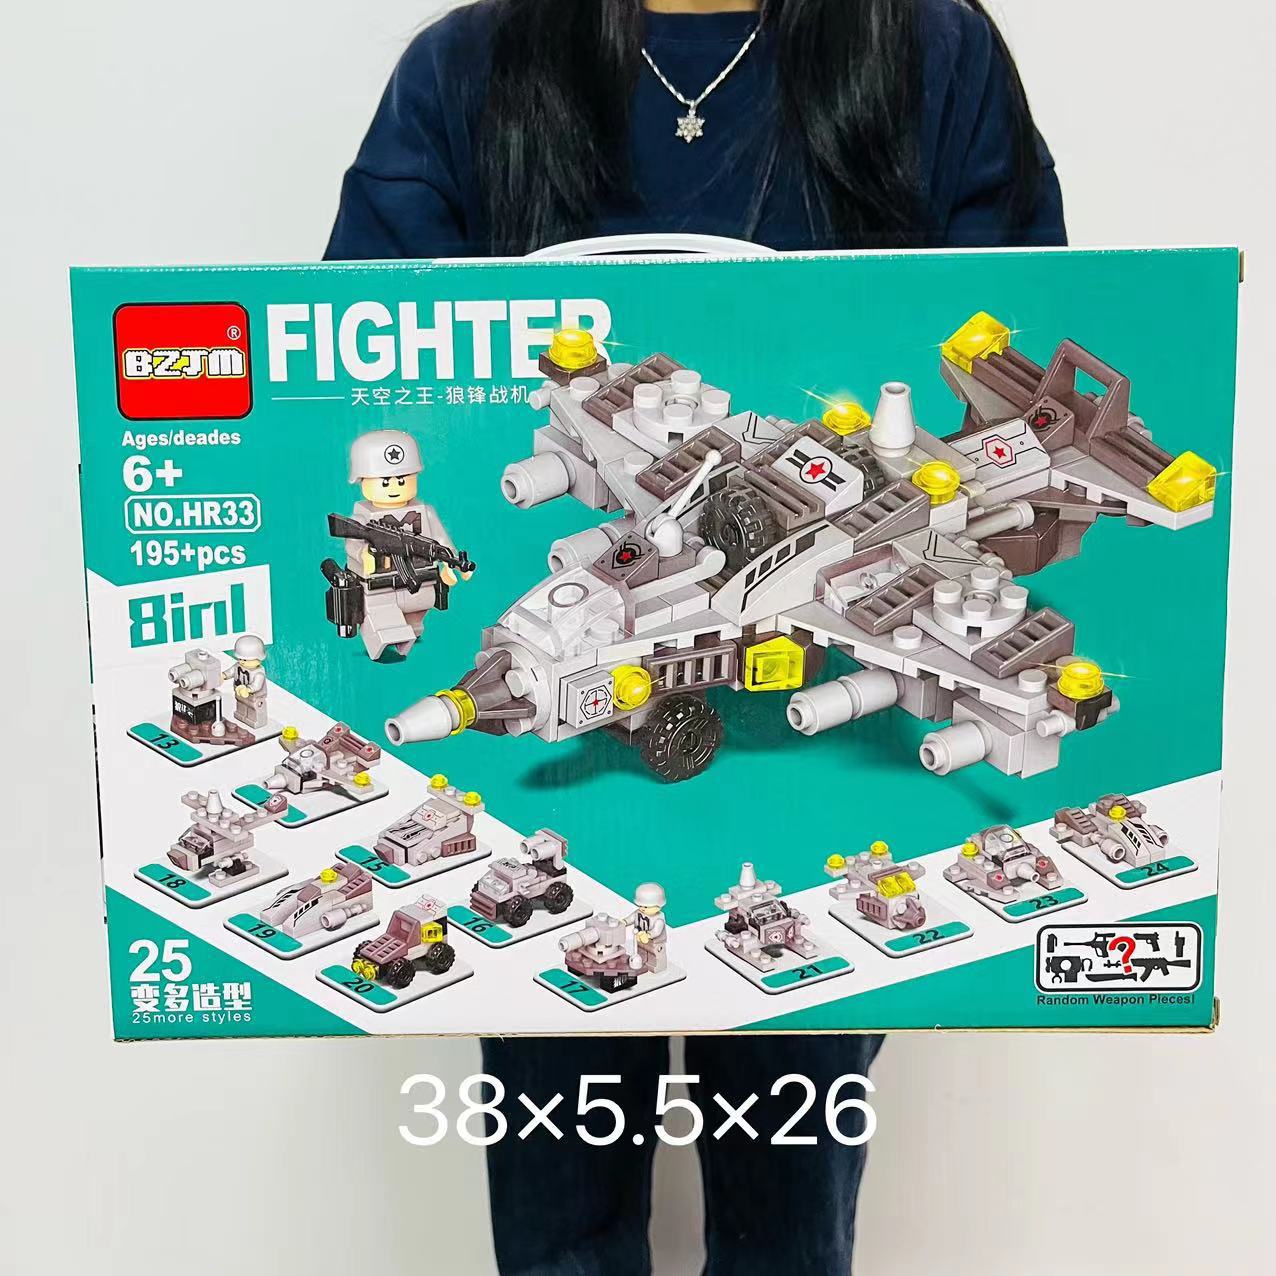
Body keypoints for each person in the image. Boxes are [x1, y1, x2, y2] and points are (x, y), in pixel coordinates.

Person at [326, 2, 1065, 1272]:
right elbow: (344, 365)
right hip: (574, 830)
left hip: (816, 819)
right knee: (556, 1213)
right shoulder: (468, 70)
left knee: (789, 1212)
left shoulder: (923, 53)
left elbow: (1030, 309)